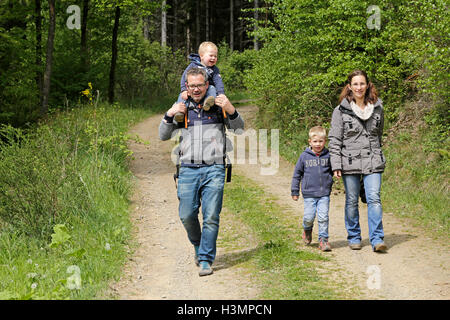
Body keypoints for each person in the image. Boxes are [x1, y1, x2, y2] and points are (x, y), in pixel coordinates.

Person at [159, 67, 244, 276]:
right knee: (187, 215)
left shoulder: (216, 105)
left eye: (200, 85)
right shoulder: (182, 108)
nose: (196, 89)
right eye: (192, 86)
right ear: (186, 87)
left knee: (211, 215)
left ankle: (206, 259)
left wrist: (231, 110)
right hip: (187, 169)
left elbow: (239, 129)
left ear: (207, 85)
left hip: (214, 167)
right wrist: (169, 114)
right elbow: (163, 135)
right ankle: (197, 245)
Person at [328, 69, 387, 253]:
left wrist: (377, 153)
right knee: (352, 201)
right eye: (355, 84)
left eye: (362, 83)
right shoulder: (340, 111)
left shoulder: (378, 107)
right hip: (350, 162)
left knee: (374, 199)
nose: (359, 87)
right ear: (349, 87)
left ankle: (377, 239)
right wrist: (336, 165)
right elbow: (335, 139)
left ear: (367, 85)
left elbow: (379, 134)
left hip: (373, 161)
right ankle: (354, 236)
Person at [291, 126, 333, 251]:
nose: (318, 144)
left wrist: (333, 178)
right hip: (309, 193)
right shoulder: (304, 156)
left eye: (321, 141)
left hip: (324, 193)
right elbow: (297, 174)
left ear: (325, 141)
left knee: (323, 217)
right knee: (309, 217)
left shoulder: (328, 156)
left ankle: (323, 240)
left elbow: (333, 169)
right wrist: (295, 191)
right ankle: (307, 229)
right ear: (310, 141)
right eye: (315, 141)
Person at [174, 41, 225, 123]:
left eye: (215, 56)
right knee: (182, 96)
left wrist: (221, 93)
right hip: (193, 89)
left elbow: (218, 82)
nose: (213, 58)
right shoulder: (193, 65)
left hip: (207, 89)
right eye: (211, 55)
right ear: (201, 56)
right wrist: (184, 90)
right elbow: (184, 77)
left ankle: (208, 103)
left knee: (212, 88)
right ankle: (179, 112)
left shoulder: (214, 69)